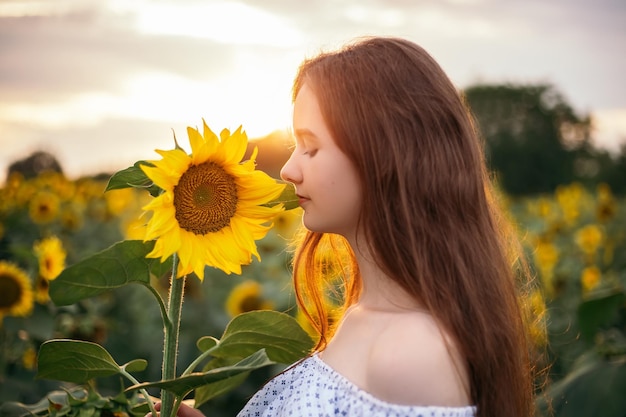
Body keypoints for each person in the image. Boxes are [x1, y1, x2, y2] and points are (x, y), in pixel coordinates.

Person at [173, 36, 536, 417]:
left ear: (383, 153)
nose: (288, 169)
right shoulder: (363, 316)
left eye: (309, 147)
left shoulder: (414, 355)